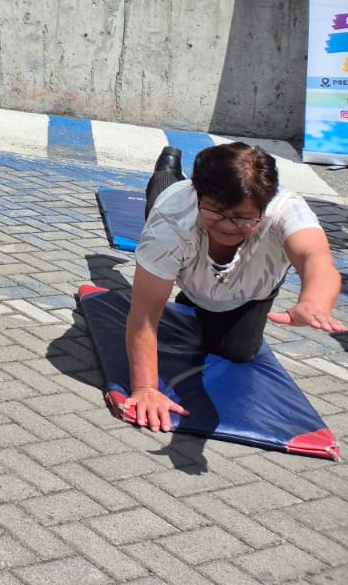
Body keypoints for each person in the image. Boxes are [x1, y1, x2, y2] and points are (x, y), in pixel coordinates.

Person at [123, 142, 344, 432]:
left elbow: (315, 257)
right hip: (182, 241)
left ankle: (198, 303)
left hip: (249, 291)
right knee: (160, 200)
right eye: (216, 211)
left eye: (242, 216)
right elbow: (144, 317)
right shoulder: (173, 219)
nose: (228, 225)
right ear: (198, 194)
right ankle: (166, 171)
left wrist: (314, 301)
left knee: (239, 352)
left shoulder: (286, 210)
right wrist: (146, 388)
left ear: (264, 208)